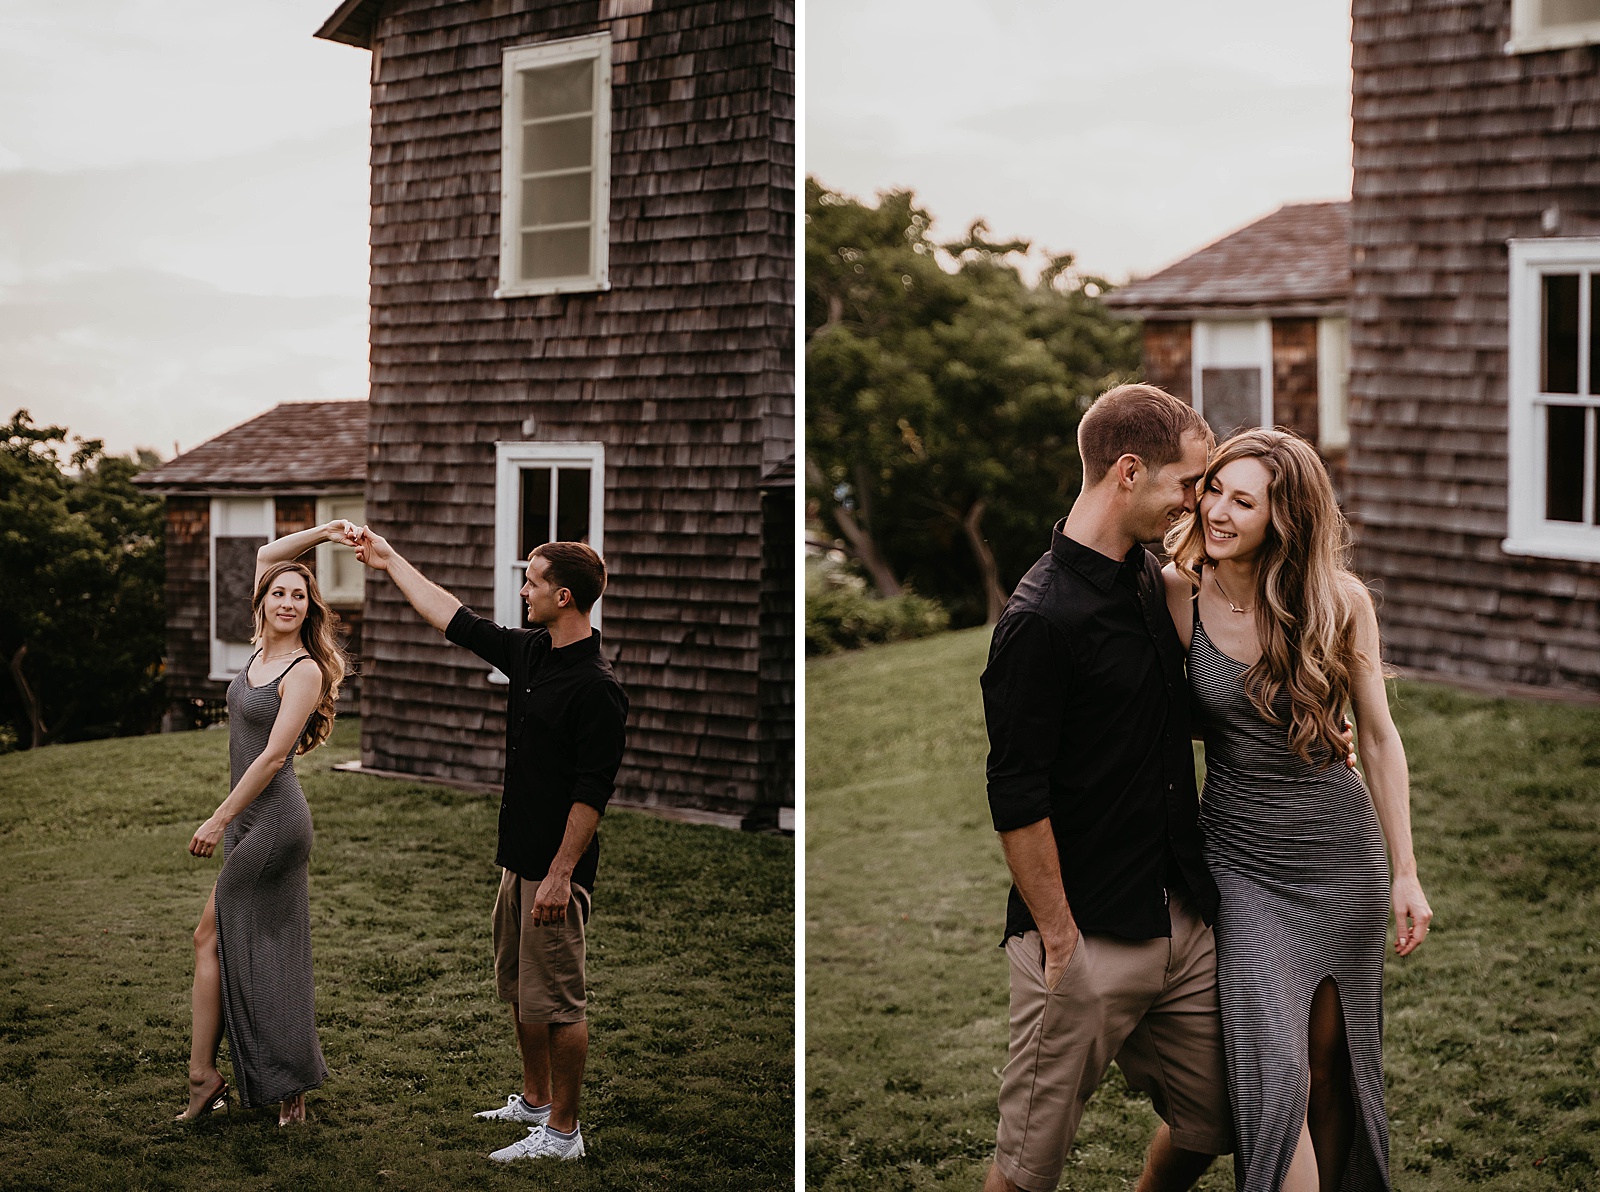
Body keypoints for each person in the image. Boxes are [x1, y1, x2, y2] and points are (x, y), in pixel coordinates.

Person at [1161, 428, 1431, 1192]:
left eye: (1242, 501)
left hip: (1339, 857)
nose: (1215, 510)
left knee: (1329, 1065)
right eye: (1214, 488)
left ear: (1286, 518)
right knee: (1275, 1075)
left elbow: (1378, 738)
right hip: (1241, 863)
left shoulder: (1338, 604)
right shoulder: (1176, 591)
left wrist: (1405, 874)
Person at [978, 383, 1231, 1192]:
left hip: (1180, 923)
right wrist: (1061, 943)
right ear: (1129, 471)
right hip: (1084, 940)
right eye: (1187, 482)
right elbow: (1016, 795)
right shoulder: (1040, 620)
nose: (1195, 501)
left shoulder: (1149, 581)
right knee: (1027, 1172)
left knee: (1218, 1121)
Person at [352, 528, 627, 1164]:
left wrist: (560, 875)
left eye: (531, 581)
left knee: (558, 1001)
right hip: (518, 858)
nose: (522, 588)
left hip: (555, 869)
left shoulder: (596, 687)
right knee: (522, 990)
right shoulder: (533, 654)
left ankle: (563, 1133)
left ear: (563, 595)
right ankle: (533, 1102)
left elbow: (591, 796)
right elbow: (454, 618)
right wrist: (390, 558)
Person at [178, 520, 356, 1126]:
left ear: (310, 609)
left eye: (299, 596)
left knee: (232, 942)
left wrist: (218, 817)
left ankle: (244, 1081)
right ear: (264, 602)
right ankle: (226, 1079)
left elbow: (275, 756)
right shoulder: (260, 649)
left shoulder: (302, 670)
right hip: (249, 819)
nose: (286, 601)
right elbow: (266, 552)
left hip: (275, 824)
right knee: (237, 944)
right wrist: (330, 531)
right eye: (278, 593)